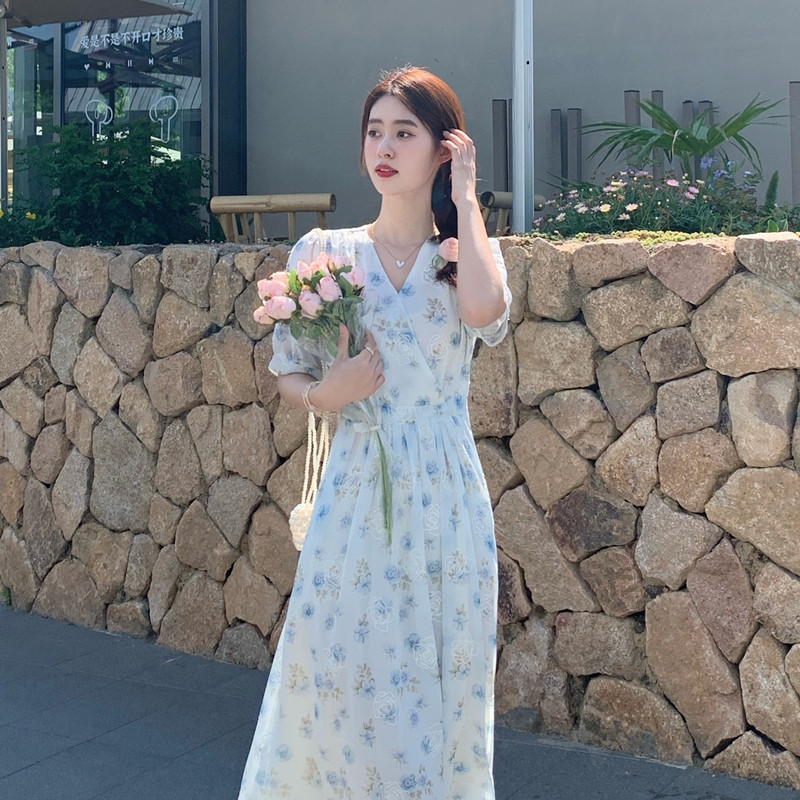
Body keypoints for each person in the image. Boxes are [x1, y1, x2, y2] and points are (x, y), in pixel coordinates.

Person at [238, 66, 511, 800]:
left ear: (442, 148)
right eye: (374, 131)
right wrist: (327, 393)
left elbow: (484, 312)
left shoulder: (462, 256)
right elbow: (289, 372)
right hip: (358, 486)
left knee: (441, 676)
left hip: (446, 496)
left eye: (405, 133)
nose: (384, 148)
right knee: (339, 668)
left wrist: (465, 200)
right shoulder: (324, 253)